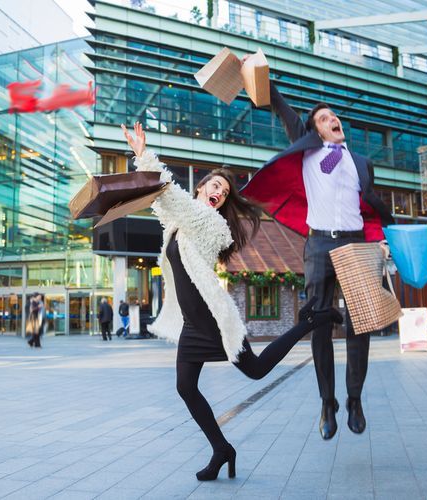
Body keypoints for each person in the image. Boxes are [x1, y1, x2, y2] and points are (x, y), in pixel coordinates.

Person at [122, 122, 342, 481]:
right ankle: (222, 450)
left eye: (223, 192)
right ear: (201, 187)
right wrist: (139, 159)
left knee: (255, 371)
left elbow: (171, 197)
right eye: (214, 186)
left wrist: (145, 155)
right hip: (193, 323)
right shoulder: (180, 224)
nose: (219, 193)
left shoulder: (213, 226)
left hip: (211, 317)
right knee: (185, 387)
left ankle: (313, 320)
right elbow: (164, 205)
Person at [240, 76, 395, 440]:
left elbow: (368, 206)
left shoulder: (361, 162)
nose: (332, 119)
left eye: (334, 116)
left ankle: (354, 399)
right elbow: (282, 109)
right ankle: (328, 402)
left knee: (362, 323)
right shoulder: (307, 151)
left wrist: (381, 240)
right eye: (324, 118)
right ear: (314, 129)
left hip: (356, 243)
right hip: (320, 245)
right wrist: (261, 75)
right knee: (318, 323)